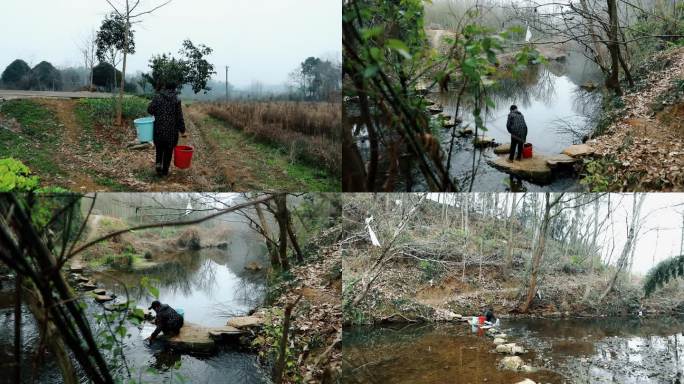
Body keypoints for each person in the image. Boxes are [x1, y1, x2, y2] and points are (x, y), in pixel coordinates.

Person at [147, 82, 186, 177]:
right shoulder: (176, 99)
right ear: (175, 88)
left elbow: (150, 110)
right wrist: (182, 130)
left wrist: (152, 106)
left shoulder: (157, 97)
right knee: (168, 151)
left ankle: (158, 166)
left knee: (159, 149)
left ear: (165, 87)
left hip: (158, 129)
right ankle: (165, 171)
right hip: (171, 131)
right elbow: (179, 116)